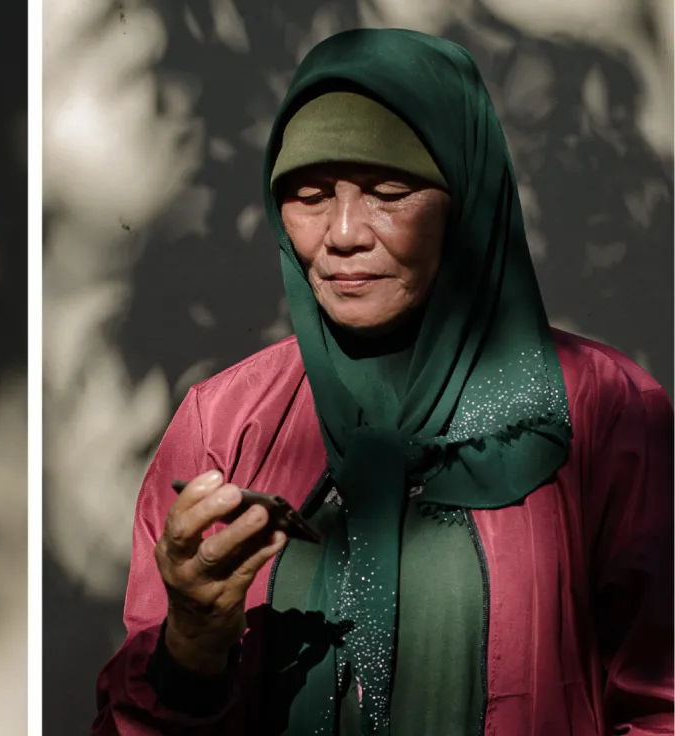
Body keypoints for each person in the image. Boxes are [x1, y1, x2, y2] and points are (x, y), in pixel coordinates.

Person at [92, 29, 672, 736]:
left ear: (467, 198)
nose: (341, 233)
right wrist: (191, 645)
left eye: (388, 192)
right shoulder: (224, 424)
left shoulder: (603, 414)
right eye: (308, 195)